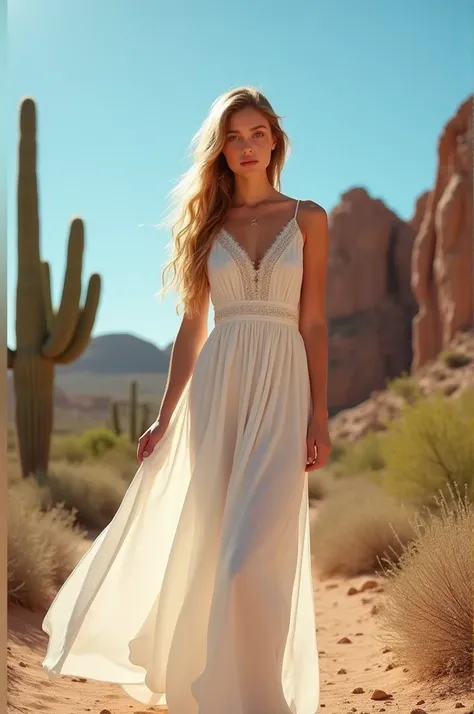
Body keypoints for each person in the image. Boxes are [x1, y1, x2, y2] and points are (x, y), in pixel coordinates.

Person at [42, 85, 331, 714]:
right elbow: (192, 330)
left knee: (252, 558)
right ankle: (212, 690)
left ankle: (256, 697)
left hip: (283, 387)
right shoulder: (209, 226)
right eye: (234, 136)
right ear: (221, 149)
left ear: (276, 140)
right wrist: (164, 414)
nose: (247, 146)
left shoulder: (309, 217)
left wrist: (318, 414)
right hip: (218, 388)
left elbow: (313, 323)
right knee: (211, 546)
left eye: (258, 133)